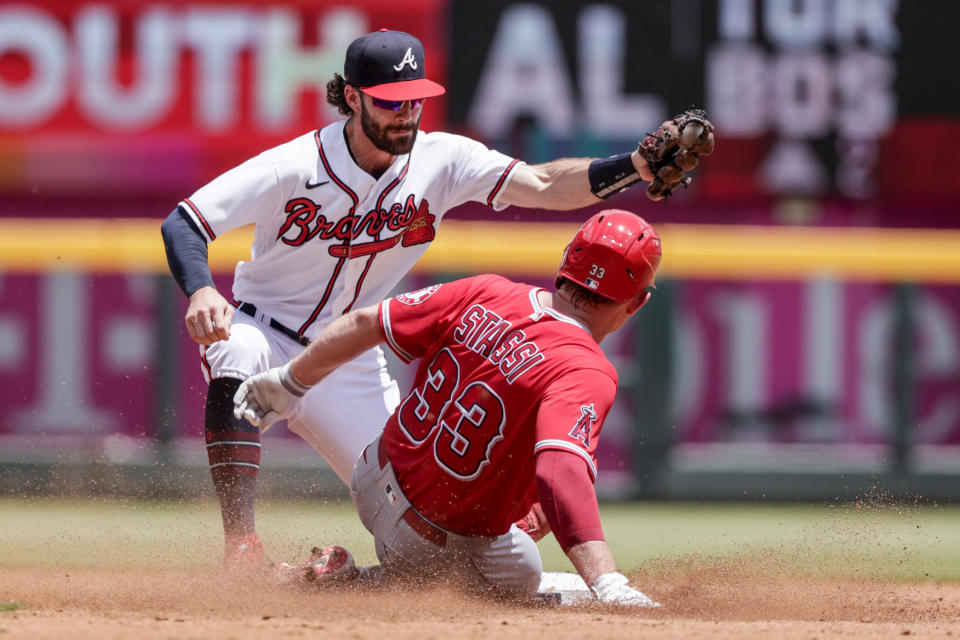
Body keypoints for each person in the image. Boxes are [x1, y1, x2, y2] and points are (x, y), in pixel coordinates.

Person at [160, 28, 660, 568]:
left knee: (427, 503)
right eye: (389, 102)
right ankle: (242, 547)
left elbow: (543, 185)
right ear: (351, 97)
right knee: (235, 349)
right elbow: (185, 222)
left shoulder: (442, 159)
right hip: (266, 331)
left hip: (345, 360)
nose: (405, 113)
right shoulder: (294, 165)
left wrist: (634, 167)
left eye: (415, 99)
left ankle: (335, 581)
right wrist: (202, 288)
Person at [233, 210, 663, 605]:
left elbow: (366, 323)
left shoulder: (487, 290)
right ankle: (353, 583)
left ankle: (348, 577)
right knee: (525, 575)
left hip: (369, 477)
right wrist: (605, 580)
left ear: (563, 263)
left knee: (524, 497)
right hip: (425, 541)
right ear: (638, 302)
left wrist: (290, 380)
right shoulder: (587, 369)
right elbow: (560, 473)